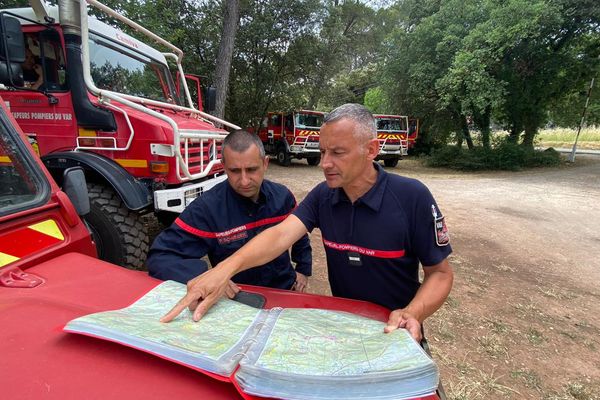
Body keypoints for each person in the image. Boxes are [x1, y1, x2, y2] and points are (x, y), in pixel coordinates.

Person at [160, 104, 453, 342]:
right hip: (345, 326)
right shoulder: (323, 196)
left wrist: (413, 312)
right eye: (322, 151)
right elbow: (279, 236)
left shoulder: (411, 197)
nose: (324, 162)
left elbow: (440, 273)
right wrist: (225, 270)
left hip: (398, 327)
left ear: (372, 150)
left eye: (337, 153)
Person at [146, 129, 312, 293]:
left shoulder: (283, 197)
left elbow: (299, 233)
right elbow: (161, 257)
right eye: (235, 171)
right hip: (239, 299)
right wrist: (207, 276)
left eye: (252, 169)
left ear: (265, 163)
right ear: (224, 167)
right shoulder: (207, 209)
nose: (245, 181)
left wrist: (303, 269)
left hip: (284, 291)